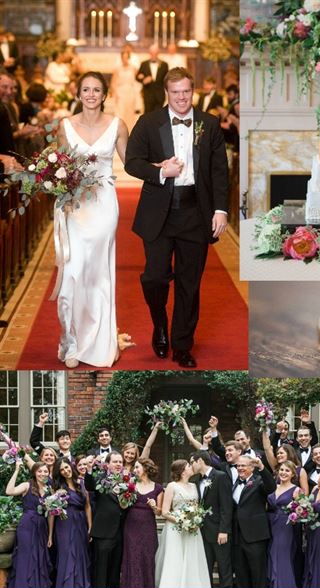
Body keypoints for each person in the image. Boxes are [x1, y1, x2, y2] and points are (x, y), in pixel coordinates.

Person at [125, 66, 229, 368]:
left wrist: (220, 210)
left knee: (189, 283)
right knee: (154, 277)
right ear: (166, 94)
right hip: (160, 211)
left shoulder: (209, 124)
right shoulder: (148, 122)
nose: (181, 98)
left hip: (196, 212)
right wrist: (160, 171)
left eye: (186, 92)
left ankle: (182, 345)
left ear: (192, 91)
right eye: (175, 93)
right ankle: (160, 324)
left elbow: (219, 171)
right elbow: (132, 162)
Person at [55, 71, 133, 367]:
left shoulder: (118, 125)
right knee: (74, 271)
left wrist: (161, 168)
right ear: (78, 93)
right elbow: (57, 165)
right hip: (75, 206)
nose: (90, 94)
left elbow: (131, 163)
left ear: (104, 95)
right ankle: (71, 342)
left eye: (96, 89)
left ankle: (100, 340)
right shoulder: (65, 126)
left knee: (98, 272)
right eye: (85, 89)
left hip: (103, 205)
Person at [155, 459, 211, 588]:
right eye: (188, 466)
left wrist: (195, 520)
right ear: (182, 471)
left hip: (192, 528)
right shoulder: (172, 486)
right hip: (175, 529)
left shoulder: (193, 485)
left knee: (192, 557)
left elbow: (196, 507)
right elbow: (164, 512)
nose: (191, 467)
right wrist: (182, 520)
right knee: (175, 558)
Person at [231, 454, 276, 588]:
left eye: (243, 465)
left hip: (255, 536)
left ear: (252, 467)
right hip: (237, 537)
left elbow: (271, 487)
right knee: (241, 575)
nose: (240, 468)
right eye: (238, 465)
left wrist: (262, 467)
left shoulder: (259, 482)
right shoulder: (234, 484)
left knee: (258, 574)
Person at [5, 461, 52, 588]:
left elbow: (51, 514)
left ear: (49, 473)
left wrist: (50, 535)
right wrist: (16, 470)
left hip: (42, 527)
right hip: (27, 525)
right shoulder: (27, 485)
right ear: (34, 473)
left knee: (39, 556)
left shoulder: (50, 489)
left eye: (45, 471)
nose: (43, 474)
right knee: (25, 555)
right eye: (40, 471)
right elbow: (9, 491)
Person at [190, 450, 233, 588]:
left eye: (192, 462)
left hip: (218, 531)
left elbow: (226, 506)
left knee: (223, 566)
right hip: (202, 531)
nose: (191, 466)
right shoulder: (195, 480)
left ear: (200, 461)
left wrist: (224, 530)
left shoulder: (221, 477)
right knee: (204, 566)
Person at [48, 460, 91, 588]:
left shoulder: (81, 483)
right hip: (64, 524)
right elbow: (51, 512)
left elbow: (87, 506)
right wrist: (50, 535)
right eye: (62, 470)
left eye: (66, 467)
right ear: (59, 472)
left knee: (80, 555)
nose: (66, 471)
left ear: (71, 466)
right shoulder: (57, 487)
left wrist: (90, 527)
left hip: (81, 523)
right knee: (67, 555)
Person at [121, 458, 163, 588]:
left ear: (145, 468)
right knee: (133, 556)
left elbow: (159, 512)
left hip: (148, 528)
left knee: (147, 556)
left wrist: (154, 506)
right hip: (131, 527)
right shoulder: (130, 485)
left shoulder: (158, 488)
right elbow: (123, 505)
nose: (135, 470)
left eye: (137, 467)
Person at [88, 451, 127, 588]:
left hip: (120, 532)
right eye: (115, 462)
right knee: (101, 570)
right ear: (108, 464)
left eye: (120, 462)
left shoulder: (127, 480)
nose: (118, 464)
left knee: (115, 571)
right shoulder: (99, 478)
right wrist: (89, 469)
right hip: (103, 532)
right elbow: (89, 485)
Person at [267, 460, 302, 588]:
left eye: (287, 470)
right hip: (270, 523)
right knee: (271, 553)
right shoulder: (273, 487)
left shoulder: (296, 490)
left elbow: (302, 511)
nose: (283, 472)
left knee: (281, 555)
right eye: (281, 470)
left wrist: (293, 512)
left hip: (285, 526)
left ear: (293, 474)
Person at [111, 48, 142, 130]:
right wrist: (115, 94)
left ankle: (129, 131)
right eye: (123, 57)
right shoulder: (117, 69)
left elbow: (138, 80)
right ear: (121, 58)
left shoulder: (133, 68)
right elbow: (113, 82)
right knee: (120, 113)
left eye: (126, 57)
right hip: (120, 92)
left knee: (130, 113)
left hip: (130, 92)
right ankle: (121, 131)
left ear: (128, 58)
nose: (124, 59)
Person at [136, 45, 168, 114]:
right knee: (148, 115)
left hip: (160, 95)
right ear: (149, 53)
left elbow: (167, 79)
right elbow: (137, 77)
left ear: (158, 53)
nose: (153, 55)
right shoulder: (143, 64)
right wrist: (143, 80)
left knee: (159, 115)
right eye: (152, 53)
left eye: (155, 53)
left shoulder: (164, 64)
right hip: (148, 95)